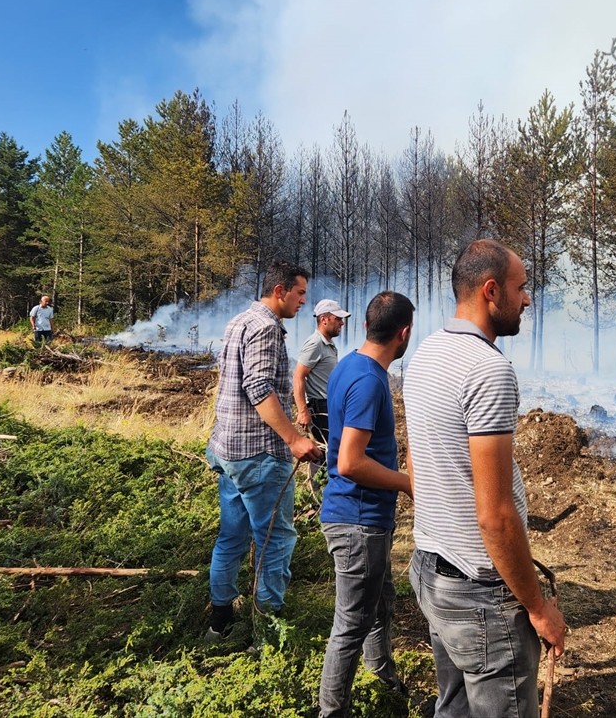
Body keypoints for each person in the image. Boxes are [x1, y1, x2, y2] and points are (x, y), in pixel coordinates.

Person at [402, 240, 566, 718]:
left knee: (452, 708)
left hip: (432, 571)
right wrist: (537, 608)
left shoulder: (426, 355)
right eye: (522, 288)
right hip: (479, 596)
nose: (528, 299)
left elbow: (418, 462)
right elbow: (495, 516)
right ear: (491, 291)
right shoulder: (489, 370)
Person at [205, 261, 321, 643]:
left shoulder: (238, 321)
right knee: (275, 540)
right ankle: (267, 632)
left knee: (232, 537)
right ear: (279, 290)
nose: (305, 300)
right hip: (257, 454)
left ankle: (219, 623)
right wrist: (294, 439)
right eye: (300, 293)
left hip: (228, 449)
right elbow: (257, 388)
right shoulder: (267, 328)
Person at [318, 291, 415, 718]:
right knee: (351, 625)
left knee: (380, 604)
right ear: (404, 333)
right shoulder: (370, 382)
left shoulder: (348, 366)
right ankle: (331, 711)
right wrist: (408, 483)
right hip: (357, 521)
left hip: (363, 518)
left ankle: (384, 681)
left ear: (364, 326)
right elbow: (351, 462)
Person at [294, 298, 351, 449]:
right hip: (320, 409)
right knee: (323, 454)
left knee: (331, 453)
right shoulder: (315, 343)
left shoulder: (328, 344)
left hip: (329, 407)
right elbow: (299, 375)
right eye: (338, 319)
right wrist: (302, 411)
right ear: (324, 320)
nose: (342, 323)